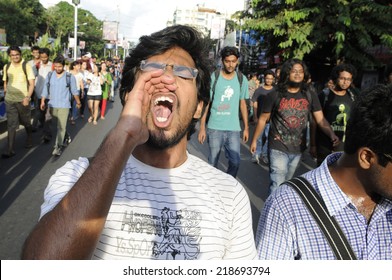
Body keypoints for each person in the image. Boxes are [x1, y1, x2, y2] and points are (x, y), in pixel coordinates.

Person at [22, 25, 257, 260]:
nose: (167, 79)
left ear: (198, 107)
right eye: (153, 68)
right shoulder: (76, 175)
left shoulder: (230, 195)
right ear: (128, 94)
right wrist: (123, 134)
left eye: (183, 72)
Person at [256, 84, 392, 260]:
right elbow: (313, 122)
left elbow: (319, 119)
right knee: (277, 179)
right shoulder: (287, 207)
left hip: (299, 149)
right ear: (367, 157)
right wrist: (313, 144)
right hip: (282, 146)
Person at [250, 58, 339, 194]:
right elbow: (262, 119)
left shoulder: (310, 95)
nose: (297, 74)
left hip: (298, 149)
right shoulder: (275, 94)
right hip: (277, 146)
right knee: (277, 184)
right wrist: (255, 140)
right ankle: (273, 212)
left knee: (286, 184)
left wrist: (331, 134)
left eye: (300, 71)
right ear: (287, 74)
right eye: (294, 71)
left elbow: (320, 119)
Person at [198, 46, 249, 178]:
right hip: (215, 128)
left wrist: (246, 128)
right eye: (227, 61)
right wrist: (202, 127)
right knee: (213, 162)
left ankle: (228, 182)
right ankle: (212, 187)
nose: (230, 64)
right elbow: (206, 103)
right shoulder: (214, 77)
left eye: (233, 61)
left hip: (233, 129)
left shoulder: (241, 79)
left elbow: (242, 103)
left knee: (235, 162)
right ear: (222, 61)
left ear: (237, 61)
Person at [311, 63, 357, 166]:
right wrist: (313, 145)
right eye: (342, 78)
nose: (345, 82)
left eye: (349, 79)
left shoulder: (353, 97)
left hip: (344, 147)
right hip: (324, 146)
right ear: (336, 78)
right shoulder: (324, 95)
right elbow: (314, 121)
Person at [40, 55, 81, 156]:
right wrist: (42, 101)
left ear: (63, 66)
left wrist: (78, 102)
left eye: (60, 66)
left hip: (64, 105)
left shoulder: (69, 77)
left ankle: (57, 147)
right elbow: (45, 89)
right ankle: (66, 136)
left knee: (61, 127)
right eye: (56, 66)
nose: (57, 68)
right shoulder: (50, 75)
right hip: (52, 105)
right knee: (59, 126)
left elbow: (74, 91)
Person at [2, 46, 35, 158]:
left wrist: (27, 97)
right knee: (11, 125)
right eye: (12, 55)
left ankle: (29, 136)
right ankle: (10, 149)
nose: (15, 57)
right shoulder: (7, 66)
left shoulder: (26, 66)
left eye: (17, 54)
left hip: (23, 101)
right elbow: (6, 81)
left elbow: (31, 83)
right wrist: (6, 92)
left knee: (26, 122)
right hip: (10, 100)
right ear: (9, 56)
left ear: (20, 54)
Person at [251, 69, 275, 165]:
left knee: (269, 138)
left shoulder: (275, 91)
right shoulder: (259, 90)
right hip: (261, 119)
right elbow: (255, 103)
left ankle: (264, 155)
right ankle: (256, 154)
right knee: (259, 138)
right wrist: (255, 116)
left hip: (272, 120)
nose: (269, 80)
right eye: (267, 78)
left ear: (273, 79)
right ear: (264, 78)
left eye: (271, 79)